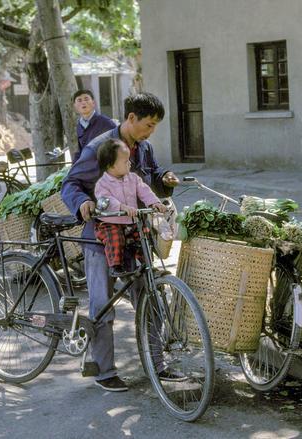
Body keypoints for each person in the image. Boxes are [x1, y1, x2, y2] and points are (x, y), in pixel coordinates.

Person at [61, 92, 180, 391]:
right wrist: (81, 204)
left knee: (150, 296)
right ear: (131, 119)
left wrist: (164, 177)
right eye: (148, 124)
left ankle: (157, 363)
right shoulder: (99, 148)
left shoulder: (143, 147)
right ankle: (103, 370)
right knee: (102, 304)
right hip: (101, 236)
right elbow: (71, 184)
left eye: (155, 126)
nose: (151, 131)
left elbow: (148, 177)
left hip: (135, 233)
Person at [94, 138, 166, 277]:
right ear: (111, 166)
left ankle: (148, 264)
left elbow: (144, 191)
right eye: (126, 161)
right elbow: (105, 200)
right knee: (115, 238)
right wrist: (122, 207)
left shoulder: (133, 178)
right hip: (110, 222)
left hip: (131, 221)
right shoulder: (102, 184)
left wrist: (154, 203)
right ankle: (115, 266)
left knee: (143, 235)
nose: (130, 163)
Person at [72, 89, 116, 163]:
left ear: (93, 103)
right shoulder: (79, 125)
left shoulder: (105, 122)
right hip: (87, 168)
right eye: (79, 100)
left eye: (86, 99)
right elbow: (81, 150)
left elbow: (117, 147)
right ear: (75, 107)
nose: (83, 102)